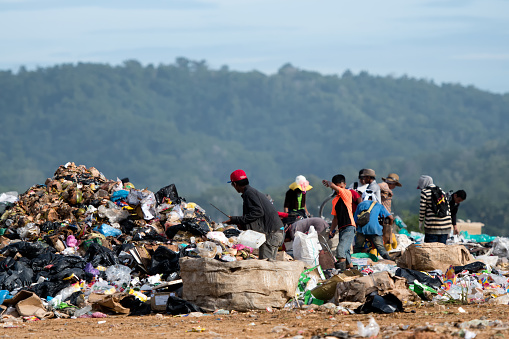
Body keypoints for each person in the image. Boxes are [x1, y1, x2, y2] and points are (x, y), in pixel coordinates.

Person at [224, 169, 284, 260]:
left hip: (271, 234)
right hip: (275, 232)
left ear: (235, 184)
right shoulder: (251, 192)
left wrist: (235, 219)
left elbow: (258, 212)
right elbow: (255, 215)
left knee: (265, 267)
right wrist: (239, 222)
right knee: (270, 265)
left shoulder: (249, 193)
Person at [322, 174, 356, 269]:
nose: (338, 188)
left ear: (344, 185)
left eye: (340, 186)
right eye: (336, 186)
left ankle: (342, 272)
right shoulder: (335, 201)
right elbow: (335, 218)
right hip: (341, 228)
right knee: (346, 252)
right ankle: (351, 269)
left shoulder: (347, 193)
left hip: (349, 226)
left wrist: (330, 184)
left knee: (340, 249)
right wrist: (332, 231)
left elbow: (339, 190)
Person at [353, 192, 393, 260]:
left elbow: (355, 220)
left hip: (362, 229)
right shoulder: (378, 205)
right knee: (380, 248)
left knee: (358, 247)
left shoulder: (360, 205)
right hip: (375, 229)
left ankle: (354, 261)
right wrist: (389, 227)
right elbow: (391, 218)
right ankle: (389, 261)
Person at [417, 175, 453, 244]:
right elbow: (447, 207)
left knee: (431, 250)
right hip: (445, 227)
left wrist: (420, 222)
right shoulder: (441, 191)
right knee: (441, 250)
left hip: (432, 227)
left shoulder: (424, 192)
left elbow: (422, 209)